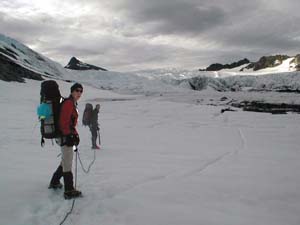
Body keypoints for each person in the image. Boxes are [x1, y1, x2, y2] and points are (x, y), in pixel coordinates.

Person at [48, 83, 83, 199]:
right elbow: (63, 122)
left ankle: (54, 182)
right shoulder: (68, 103)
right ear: (72, 91)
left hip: (66, 136)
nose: (79, 93)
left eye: (81, 91)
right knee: (67, 162)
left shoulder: (71, 103)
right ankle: (69, 190)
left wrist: (75, 135)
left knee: (65, 160)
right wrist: (69, 136)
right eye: (77, 90)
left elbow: (71, 124)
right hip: (65, 137)